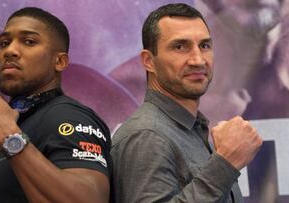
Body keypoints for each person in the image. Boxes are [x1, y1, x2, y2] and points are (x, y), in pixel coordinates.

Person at [111, 3, 262, 203]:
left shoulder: (190, 129)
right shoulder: (147, 135)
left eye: (204, 46)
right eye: (180, 47)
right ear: (148, 61)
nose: (198, 60)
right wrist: (225, 164)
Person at [0, 7, 111, 202]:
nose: (10, 51)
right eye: (4, 43)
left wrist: (7, 135)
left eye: (29, 42)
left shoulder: (67, 116)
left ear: (59, 61)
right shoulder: (24, 122)